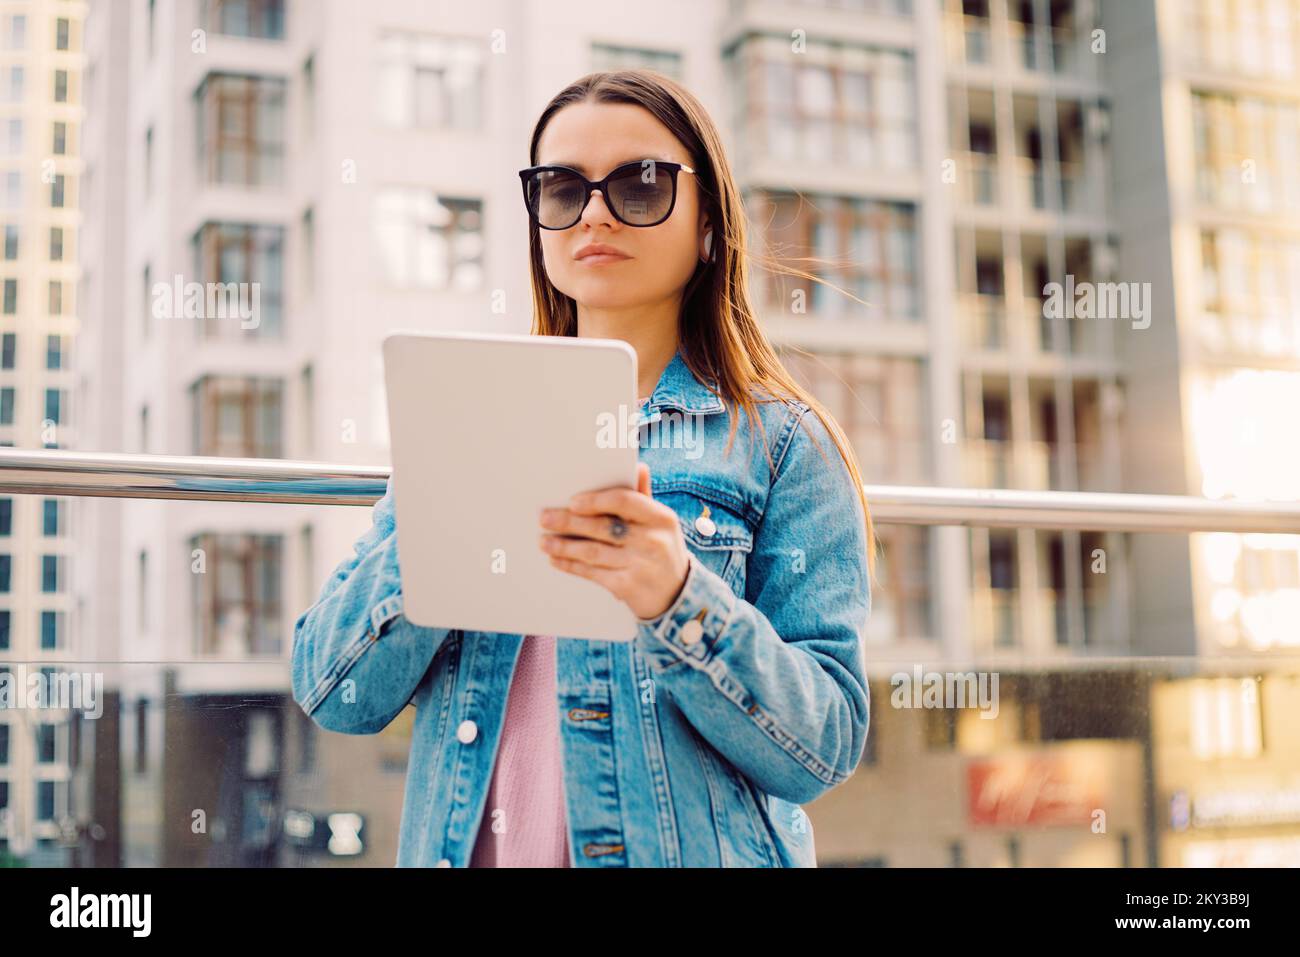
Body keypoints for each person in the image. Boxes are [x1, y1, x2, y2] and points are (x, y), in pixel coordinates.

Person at [292, 68, 874, 867]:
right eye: (562, 188)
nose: (595, 211)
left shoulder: (782, 443)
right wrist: (446, 513)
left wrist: (680, 598)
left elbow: (825, 745)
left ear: (710, 224)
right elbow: (336, 691)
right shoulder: (465, 414)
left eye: (640, 184)